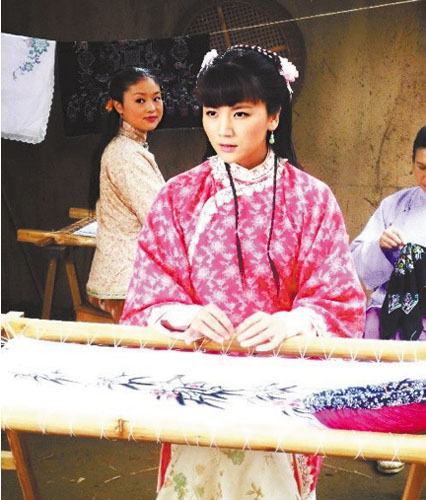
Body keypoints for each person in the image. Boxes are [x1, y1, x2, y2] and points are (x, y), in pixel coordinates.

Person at [121, 45, 365, 500]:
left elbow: (340, 301)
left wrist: (288, 323)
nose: (223, 129)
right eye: (212, 113)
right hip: (199, 388)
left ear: (274, 116)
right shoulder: (179, 197)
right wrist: (186, 316)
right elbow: (146, 299)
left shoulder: (310, 199)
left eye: (240, 113)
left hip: (282, 386)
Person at [350, 125, 426, 474]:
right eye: (421, 167)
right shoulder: (395, 206)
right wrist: (380, 247)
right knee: (379, 348)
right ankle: (389, 436)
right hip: (391, 307)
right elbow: (358, 264)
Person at [86, 67, 165, 322]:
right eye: (140, 100)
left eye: (157, 98)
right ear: (119, 106)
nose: (152, 108)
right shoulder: (125, 154)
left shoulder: (129, 148)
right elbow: (159, 218)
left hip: (125, 278)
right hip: (126, 284)